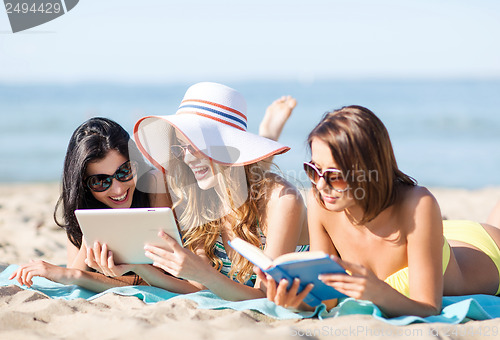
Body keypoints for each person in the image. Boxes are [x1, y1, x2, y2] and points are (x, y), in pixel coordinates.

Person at [258, 105, 500, 317]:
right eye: (313, 169)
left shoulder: (419, 203)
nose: (321, 185)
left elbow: (429, 308)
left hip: (485, 248)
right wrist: (297, 302)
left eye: (335, 176)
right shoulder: (320, 202)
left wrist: (377, 293)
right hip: (431, 235)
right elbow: (329, 298)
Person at [89, 82, 309, 300]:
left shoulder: (282, 199)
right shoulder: (200, 195)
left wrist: (204, 274)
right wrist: (137, 267)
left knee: (246, 180)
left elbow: (266, 297)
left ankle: (268, 133)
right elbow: (198, 287)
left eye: (195, 146)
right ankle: (267, 133)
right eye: (182, 147)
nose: (186, 158)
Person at [9, 117, 170, 291]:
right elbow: (75, 272)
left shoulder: (153, 184)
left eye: (125, 171)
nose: (117, 190)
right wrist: (90, 234)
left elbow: (161, 278)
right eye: (100, 181)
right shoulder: (82, 203)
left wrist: (78, 276)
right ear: (84, 184)